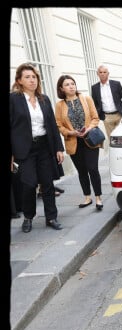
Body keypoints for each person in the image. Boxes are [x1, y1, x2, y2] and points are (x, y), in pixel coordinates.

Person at [10, 63, 65, 233]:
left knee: (47, 183)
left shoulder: (44, 99)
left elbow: (52, 126)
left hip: (44, 147)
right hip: (24, 149)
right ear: (19, 80)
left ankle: (51, 217)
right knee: (29, 183)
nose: (32, 80)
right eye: (27, 77)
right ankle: (28, 216)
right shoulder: (13, 99)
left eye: (34, 77)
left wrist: (58, 148)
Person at [55, 75, 104, 211]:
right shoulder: (59, 105)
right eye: (67, 84)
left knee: (92, 169)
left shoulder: (86, 99)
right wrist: (71, 133)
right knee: (82, 171)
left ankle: (98, 197)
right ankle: (87, 197)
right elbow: (58, 125)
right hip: (73, 142)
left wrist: (88, 128)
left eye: (73, 83)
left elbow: (95, 118)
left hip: (90, 139)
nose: (71, 86)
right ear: (61, 88)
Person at [91, 64, 122, 140]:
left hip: (119, 115)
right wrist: (100, 115)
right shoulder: (94, 88)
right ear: (97, 74)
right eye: (100, 72)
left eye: (104, 72)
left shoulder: (116, 84)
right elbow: (95, 103)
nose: (102, 74)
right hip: (107, 117)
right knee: (112, 139)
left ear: (108, 73)